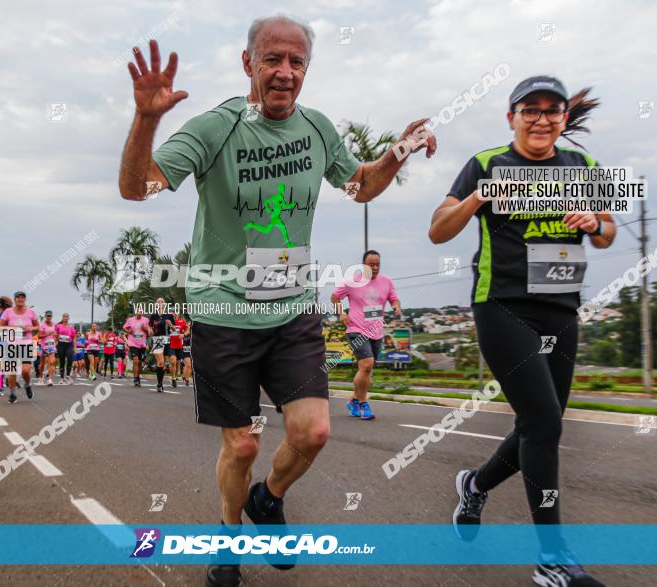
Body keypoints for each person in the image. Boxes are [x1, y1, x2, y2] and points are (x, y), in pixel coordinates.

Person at [119, 16, 435, 586]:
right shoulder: (215, 128)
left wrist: (395, 154)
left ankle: (270, 498)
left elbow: (358, 184)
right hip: (223, 308)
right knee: (240, 446)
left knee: (313, 432)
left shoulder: (316, 128)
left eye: (296, 63)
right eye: (272, 60)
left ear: (306, 70)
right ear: (249, 65)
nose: (284, 73)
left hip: (292, 306)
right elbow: (136, 186)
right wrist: (145, 120)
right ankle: (228, 538)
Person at [429, 76, 614, 587]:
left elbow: (608, 231)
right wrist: (478, 200)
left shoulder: (583, 168)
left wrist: (594, 222)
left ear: (562, 119)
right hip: (503, 306)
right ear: (511, 117)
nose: (541, 119)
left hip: (561, 307)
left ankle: (475, 485)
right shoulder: (487, 164)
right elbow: (438, 228)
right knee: (543, 424)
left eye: (551, 111)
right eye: (529, 110)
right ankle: (552, 557)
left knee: (541, 424)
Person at [331, 250, 401, 420]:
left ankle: (354, 400)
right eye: (371, 264)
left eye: (378, 264)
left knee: (367, 370)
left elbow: (394, 298)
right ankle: (363, 404)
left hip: (376, 332)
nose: (375, 267)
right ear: (363, 265)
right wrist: (342, 314)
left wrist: (396, 306)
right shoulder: (351, 282)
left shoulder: (386, 282)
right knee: (367, 365)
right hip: (356, 329)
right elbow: (334, 297)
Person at [0, 291, 39, 403]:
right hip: (11, 345)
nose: (20, 299)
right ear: (15, 300)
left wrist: (31, 329)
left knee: (26, 371)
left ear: (25, 299)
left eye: (22, 297)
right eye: (18, 297)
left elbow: (37, 326)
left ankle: (27, 385)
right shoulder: (8, 312)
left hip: (26, 345)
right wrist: (10, 329)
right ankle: (13, 393)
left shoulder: (31, 312)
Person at [148, 298, 173, 392]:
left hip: (166, 339)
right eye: (158, 301)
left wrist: (171, 324)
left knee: (161, 364)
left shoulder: (169, 315)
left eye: (162, 302)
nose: (160, 303)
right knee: (161, 362)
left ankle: (160, 383)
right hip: (157, 339)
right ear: (156, 304)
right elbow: (149, 326)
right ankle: (159, 384)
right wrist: (149, 330)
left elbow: (174, 329)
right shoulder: (153, 315)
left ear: (165, 304)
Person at [123, 307, 150, 387]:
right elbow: (124, 327)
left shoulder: (146, 320)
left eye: (141, 311)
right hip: (133, 343)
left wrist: (145, 329)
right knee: (135, 360)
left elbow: (149, 332)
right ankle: (135, 379)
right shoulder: (130, 320)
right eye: (138, 311)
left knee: (140, 362)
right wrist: (128, 331)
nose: (140, 312)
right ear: (136, 312)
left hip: (142, 344)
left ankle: (138, 376)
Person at [167, 311, 189, 388]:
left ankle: (174, 377)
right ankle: (173, 379)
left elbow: (188, 329)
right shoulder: (167, 321)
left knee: (177, 363)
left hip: (179, 345)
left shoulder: (181, 321)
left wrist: (184, 334)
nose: (173, 314)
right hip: (170, 345)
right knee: (173, 361)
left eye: (175, 312)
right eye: (171, 312)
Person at [54, 313, 76, 384]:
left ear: (68, 318)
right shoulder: (58, 326)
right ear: (62, 318)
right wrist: (55, 341)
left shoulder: (71, 327)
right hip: (61, 344)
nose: (65, 318)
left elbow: (74, 337)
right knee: (62, 361)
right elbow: (55, 335)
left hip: (69, 345)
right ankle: (61, 378)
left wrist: (75, 347)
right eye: (64, 316)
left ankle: (68, 376)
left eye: (66, 316)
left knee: (70, 358)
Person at [38, 310, 57, 386]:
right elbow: (39, 336)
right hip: (43, 345)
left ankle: (49, 379)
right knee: (42, 364)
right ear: (45, 316)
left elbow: (55, 334)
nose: (49, 317)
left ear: (52, 316)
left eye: (50, 316)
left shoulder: (54, 325)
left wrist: (55, 340)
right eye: (47, 316)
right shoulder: (42, 325)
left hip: (51, 346)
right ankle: (41, 376)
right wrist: (47, 334)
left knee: (52, 361)